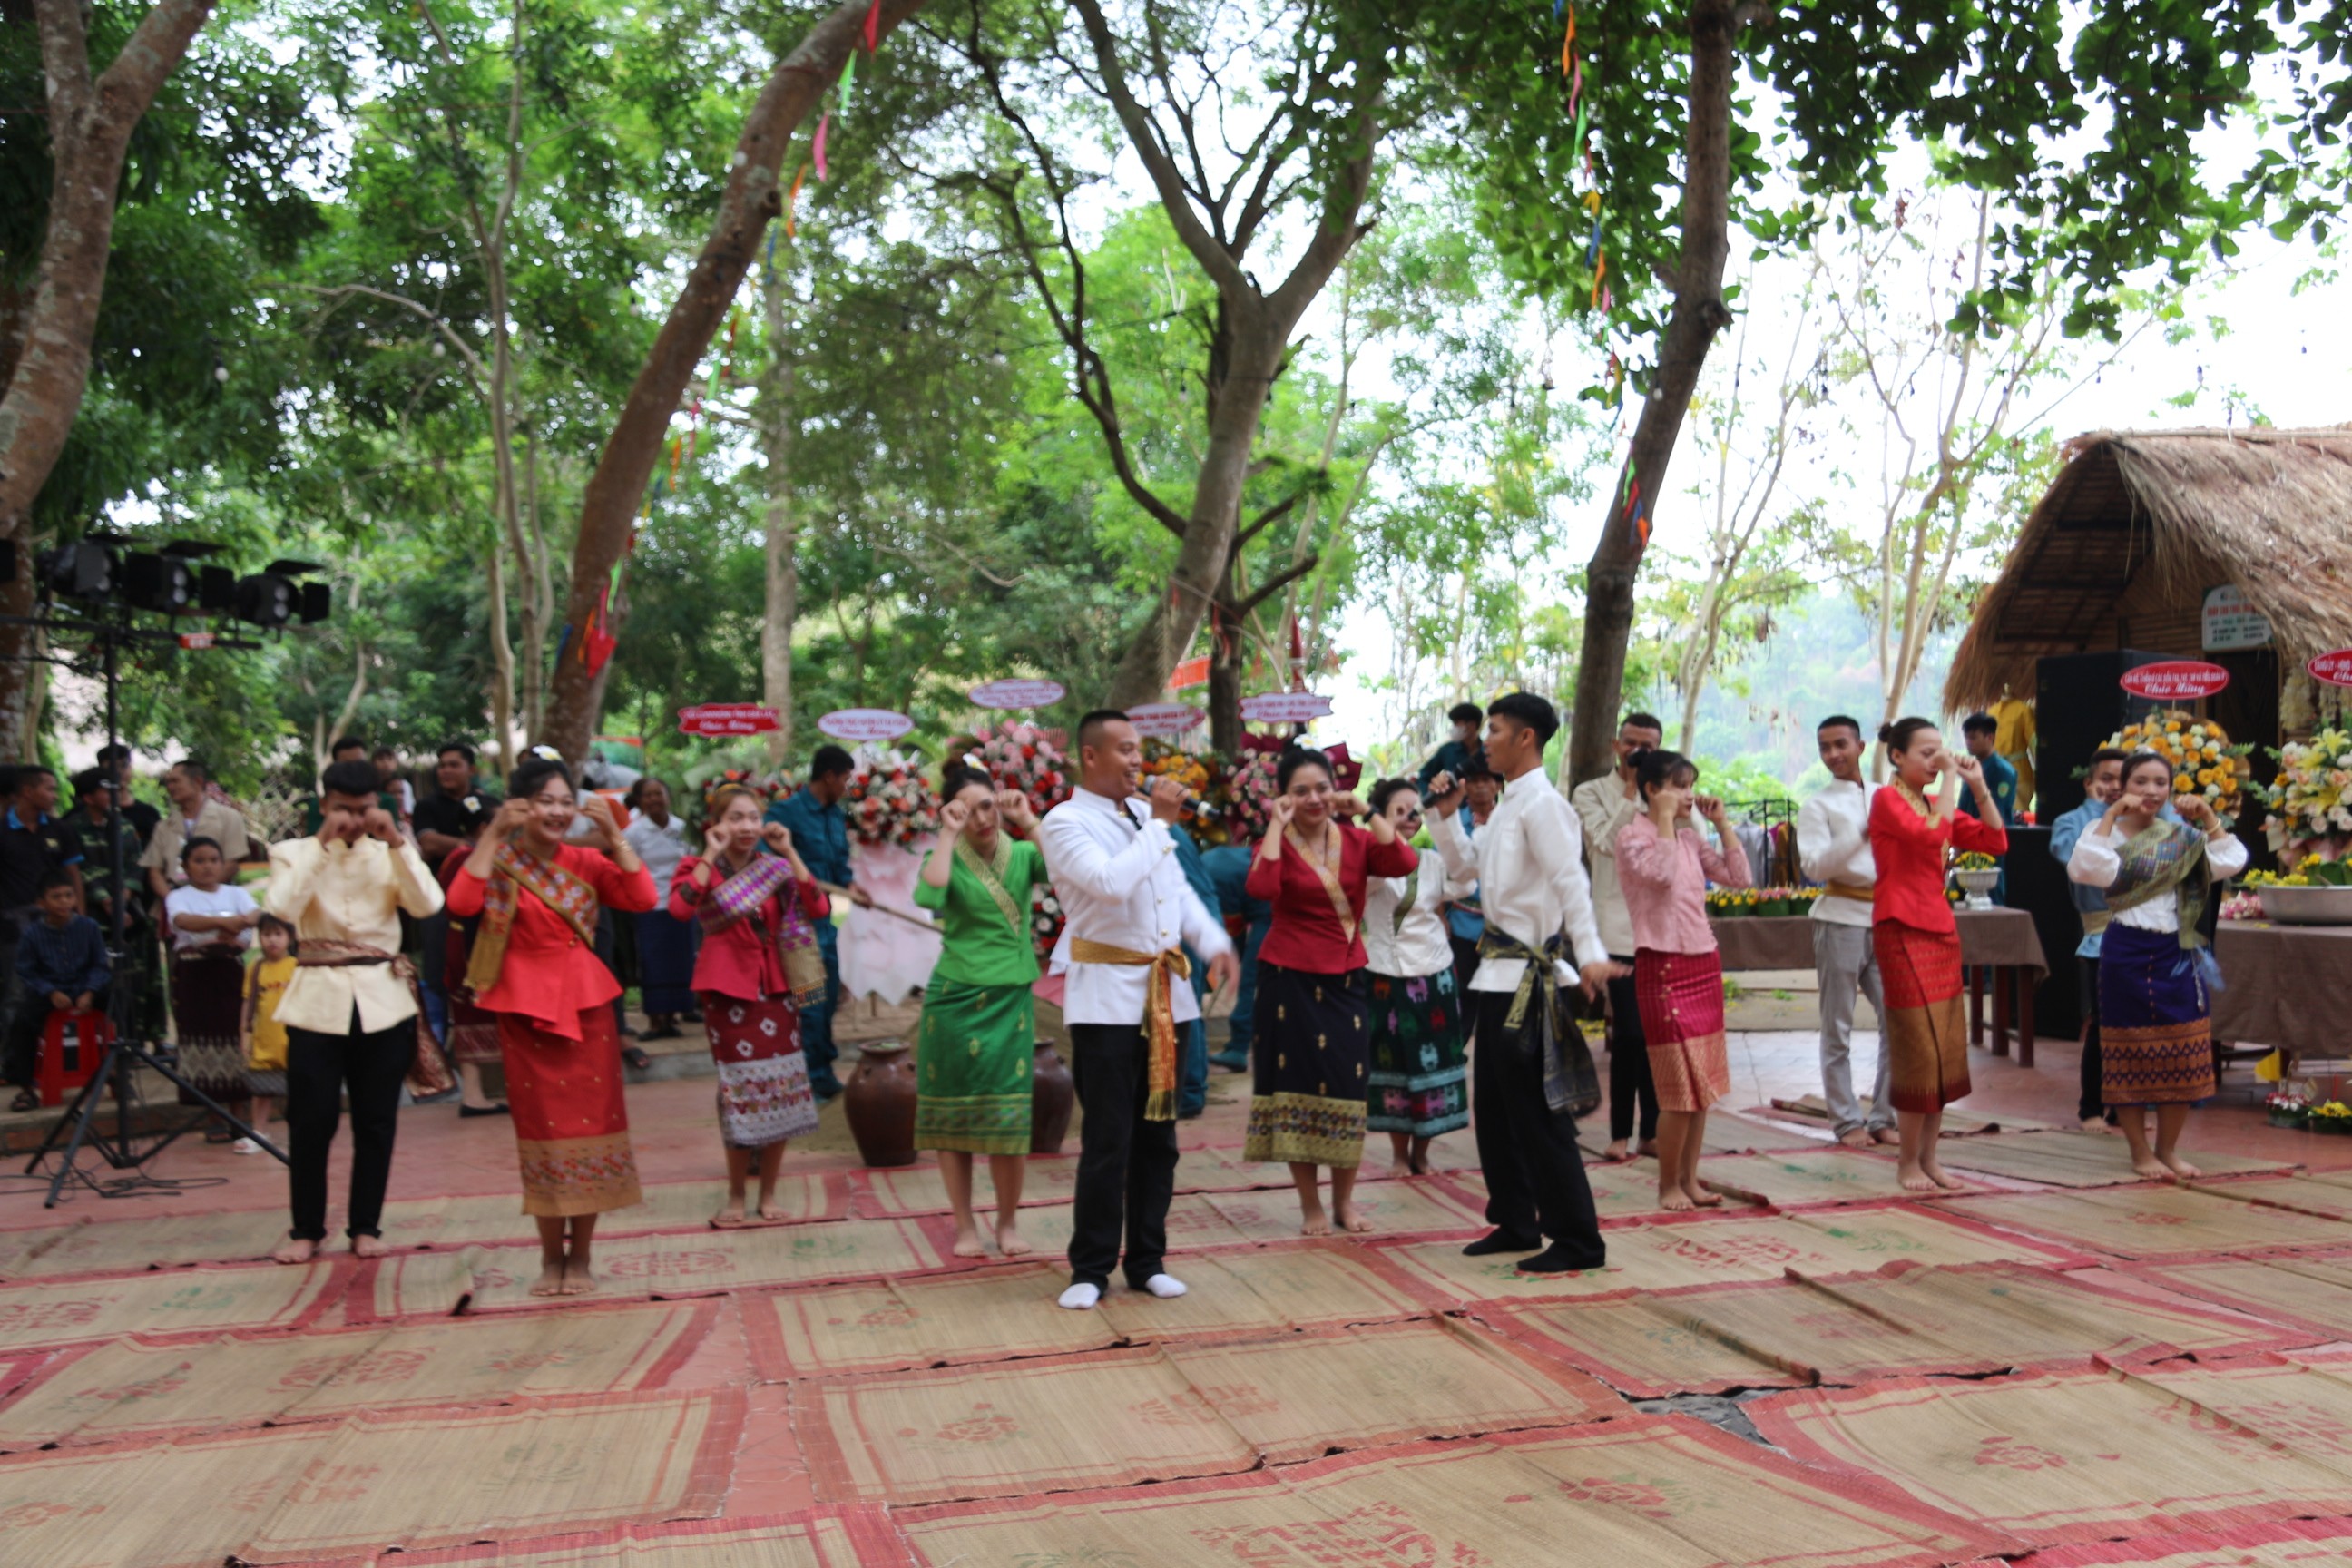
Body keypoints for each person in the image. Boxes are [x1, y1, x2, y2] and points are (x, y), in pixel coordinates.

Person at [1037, 710, 1237, 1310]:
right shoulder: (1065, 821)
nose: (1135, 761)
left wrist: (1216, 944)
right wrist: (1161, 825)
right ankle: (1090, 1268)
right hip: (1105, 1000)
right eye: (1123, 750)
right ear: (1090, 756)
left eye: (1138, 750)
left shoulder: (1145, 819)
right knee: (1109, 1137)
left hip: (1165, 998)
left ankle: (1147, 1260)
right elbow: (1108, 884)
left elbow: (1176, 893)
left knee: (1161, 1137)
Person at [445, 752, 656, 1296]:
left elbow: (643, 896)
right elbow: (460, 902)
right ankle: (549, 1260)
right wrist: (494, 832)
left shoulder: (585, 862)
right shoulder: (497, 860)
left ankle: (581, 1259)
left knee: (592, 1133)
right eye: (546, 801)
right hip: (524, 1011)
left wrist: (614, 835)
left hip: (588, 1010)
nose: (558, 811)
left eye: (566, 802)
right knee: (543, 1135)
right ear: (522, 805)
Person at [1426, 691, 1622, 1274]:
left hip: (1531, 976)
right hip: (1496, 974)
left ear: (1526, 738)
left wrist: (1589, 955)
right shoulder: (1506, 807)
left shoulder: (1544, 806)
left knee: (1538, 1110)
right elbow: (1464, 873)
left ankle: (1579, 1239)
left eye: (1497, 729)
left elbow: (1571, 882)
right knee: (1497, 1104)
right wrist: (1444, 814)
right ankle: (1517, 1219)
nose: (1485, 739)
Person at [263, 761, 445, 1262]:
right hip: (315, 1000)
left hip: (382, 1001)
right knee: (311, 1120)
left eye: (363, 809)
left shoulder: (391, 851)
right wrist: (321, 845)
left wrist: (398, 843)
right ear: (324, 806)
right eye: (342, 808)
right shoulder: (291, 852)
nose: (353, 819)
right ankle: (306, 1230)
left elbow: (428, 904)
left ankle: (366, 1226)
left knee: (376, 1120)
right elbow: (280, 908)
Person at [1243, 747, 1416, 1236]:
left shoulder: (1358, 840)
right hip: (1288, 979)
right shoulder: (1272, 843)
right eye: (1301, 791)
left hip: (1343, 978)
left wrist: (1366, 810)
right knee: (1297, 1089)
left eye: (1321, 787)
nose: (1314, 798)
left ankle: (1345, 1203)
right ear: (1284, 797)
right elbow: (1261, 887)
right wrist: (1276, 826)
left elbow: (1402, 860)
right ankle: (1310, 1207)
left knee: (1347, 1087)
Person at [2065, 750, 2244, 1181]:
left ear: (2170, 789)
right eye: (2140, 782)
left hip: (2176, 955)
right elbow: (2087, 867)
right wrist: (2111, 814)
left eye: (2159, 783)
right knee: (2130, 1054)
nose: (2150, 791)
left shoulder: (2180, 836)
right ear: (2123, 786)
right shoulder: (2102, 831)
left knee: (2184, 1054)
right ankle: (2140, 1152)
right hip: (2125, 953)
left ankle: (2168, 1150)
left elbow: (2230, 860)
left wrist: (2207, 817)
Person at [671, 781, 829, 1229]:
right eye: (735, 817)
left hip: (778, 991)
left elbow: (817, 906)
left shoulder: (775, 867)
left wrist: (790, 851)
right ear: (717, 823)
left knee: (781, 1091)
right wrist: (708, 854)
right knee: (739, 1094)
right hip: (728, 994)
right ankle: (737, 1195)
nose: (746, 827)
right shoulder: (700, 866)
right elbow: (681, 909)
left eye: (753, 818)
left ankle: (770, 1194)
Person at [911, 764, 1050, 1258]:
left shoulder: (1025, 853)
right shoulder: (943, 853)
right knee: (952, 1118)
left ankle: (1008, 1224)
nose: (981, 818)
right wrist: (946, 833)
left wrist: (1029, 820)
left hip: (1009, 997)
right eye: (966, 811)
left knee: (1007, 1118)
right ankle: (965, 1225)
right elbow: (929, 893)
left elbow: (1067, 873)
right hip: (953, 999)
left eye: (987, 805)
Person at [1867, 717, 2009, 1192]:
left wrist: (1977, 783)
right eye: (1925, 753)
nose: (1936, 759)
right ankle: (1907, 1161)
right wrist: (1951, 777)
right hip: (1901, 928)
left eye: (1939, 751)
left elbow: (1995, 841)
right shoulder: (1887, 800)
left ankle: (1930, 1159)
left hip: (1939, 930)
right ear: (1897, 757)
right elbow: (1931, 837)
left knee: (1945, 1049)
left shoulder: (1935, 802)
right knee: (1918, 1048)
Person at [1613, 750, 1750, 1210]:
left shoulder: (1691, 839)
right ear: (1653, 790)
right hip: (1663, 967)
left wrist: (1722, 825)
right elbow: (1664, 877)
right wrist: (1670, 823)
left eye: (1693, 785)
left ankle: (1690, 1180)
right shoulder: (1632, 837)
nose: (1691, 795)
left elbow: (1740, 878)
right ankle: (1667, 1185)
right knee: (1676, 1090)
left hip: (1702, 963)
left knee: (1702, 1089)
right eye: (1680, 786)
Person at [1362, 779, 1469, 1178]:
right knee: (1394, 1066)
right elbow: (1363, 887)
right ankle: (1396, 1155)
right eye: (1398, 811)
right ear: (1379, 817)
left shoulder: (1433, 860)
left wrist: (1447, 817)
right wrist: (1386, 842)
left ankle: (1423, 1154)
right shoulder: (1368, 862)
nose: (1409, 817)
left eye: (1414, 809)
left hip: (1435, 975)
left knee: (1436, 1065)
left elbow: (1466, 880)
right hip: (1386, 976)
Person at [2049, 746, 2159, 1133]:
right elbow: (2070, 856)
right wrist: (2106, 816)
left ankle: (2126, 1105)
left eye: (2122, 779)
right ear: (2090, 782)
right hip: (2101, 935)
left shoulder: (2148, 821)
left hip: (2148, 934)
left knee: (2140, 1024)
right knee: (2103, 1023)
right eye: (2107, 779)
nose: (2114, 787)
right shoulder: (2073, 820)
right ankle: (2091, 1106)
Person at [1797, 715, 1896, 1149]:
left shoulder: (1887, 796)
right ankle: (1845, 1120)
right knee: (1837, 1024)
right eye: (1825, 747)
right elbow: (1815, 867)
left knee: (1898, 1021)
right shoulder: (1818, 805)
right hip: (1839, 916)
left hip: (1888, 918)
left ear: (1859, 746)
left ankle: (1884, 1117)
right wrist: (1860, 832)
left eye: (1841, 744)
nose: (1833, 754)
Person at [1572, 711, 1665, 1162]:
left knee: (1655, 1034)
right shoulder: (1590, 792)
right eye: (1632, 744)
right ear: (1616, 744)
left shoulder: (1665, 791)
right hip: (1615, 929)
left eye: (1648, 747)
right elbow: (1605, 843)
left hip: (1661, 932)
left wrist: (1659, 794)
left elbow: (1687, 843)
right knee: (1628, 1033)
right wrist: (1631, 791)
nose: (1638, 753)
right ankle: (1619, 1132)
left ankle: (1650, 1132)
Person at [766, 745, 867, 1100]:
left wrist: (848, 897)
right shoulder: (785, 814)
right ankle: (811, 1077)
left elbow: (840, 869)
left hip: (828, 925)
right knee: (809, 1002)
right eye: (845, 778)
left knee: (827, 1001)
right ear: (828, 776)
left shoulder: (835, 816)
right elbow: (768, 863)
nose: (847, 786)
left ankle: (823, 1069)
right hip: (797, 926)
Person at [166, 836, 261, 1138]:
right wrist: (226, 924)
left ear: (223, 864)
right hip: (195, 975)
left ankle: (239, 1115)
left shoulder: (236, 893)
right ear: (185, 866)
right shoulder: (179, 896)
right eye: (199, 861)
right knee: (201, 1040)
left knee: (235, 1038)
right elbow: (182, 922)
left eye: (213, 860)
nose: (207, 867)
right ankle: (214, 1119)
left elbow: (256, 914)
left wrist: (238, 922)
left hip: (230, 973)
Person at [0, 764, 85, 1069]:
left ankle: (63, 1060)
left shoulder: (59, 829)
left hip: (60, 925)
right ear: (27, 791)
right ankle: (13, 1064)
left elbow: (74, 875)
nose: (54, 795)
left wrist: (81, 919)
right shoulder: (2, 831)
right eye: (49, 788)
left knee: (68, 990)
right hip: (14, 928)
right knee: (16, 993)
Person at [3, 870, 109, 1110]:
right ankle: (27, 1088)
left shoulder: (89, 927)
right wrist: (50, 991)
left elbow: (100, 964)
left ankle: (115, 1075)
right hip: (51, 993)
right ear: (41, 903)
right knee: (22, 1023)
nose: (64, 902)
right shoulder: (32, 933)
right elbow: (27, 971)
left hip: (84, 988)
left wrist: (90, 991)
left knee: (118, 1003)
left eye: (68, 895)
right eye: (56, 897)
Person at [434, 796, 509, 1117]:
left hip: (468, 942)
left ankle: (481, 1091)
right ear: (484, 827)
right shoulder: (469, 857)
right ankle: (474, 1094)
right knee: (469, 1013)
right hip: (471, 945)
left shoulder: (460, 856)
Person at [623, 778, 696, 1041]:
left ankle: (675, 1015)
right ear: (640, 800)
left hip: (681, 904)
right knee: (653, 963)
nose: (654, 799)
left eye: (659, 793)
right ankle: (656, 1021)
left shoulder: (683, 828)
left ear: (668, 796)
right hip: (650, 906)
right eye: (648, 795)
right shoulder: (632, 833)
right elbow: (626, 865)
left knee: (682, 959)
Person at [142, 760, 255, 901]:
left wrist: (199, 897)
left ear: (197, 782)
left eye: (175, 781)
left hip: (217, 903)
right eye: (168, 782)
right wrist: (174, 901)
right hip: (172, 906)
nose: (170, 787)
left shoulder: (229, 818)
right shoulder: (164, 826)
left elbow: (232, 864)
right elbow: (154, 871)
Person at [1200, 838, 1269, 1073]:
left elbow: (1233, 929)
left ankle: (1239, 1049)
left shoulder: (1208, 879)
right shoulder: (1205, 865)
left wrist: (1232, 961)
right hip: (1256, 894)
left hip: (1268, 908)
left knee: (1249, 978)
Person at [240, 914, 299, 1149]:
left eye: (278, 934)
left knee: (297, 1090)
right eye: (266, 934)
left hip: (291, 1039)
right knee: (261, 1090)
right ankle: (259, 1133)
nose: (272, 940)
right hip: (264, 1039)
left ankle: (300, 1135)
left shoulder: (296, 967)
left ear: (290, 938)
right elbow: (248, 1002)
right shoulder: (255, 969)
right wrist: (244, 1033)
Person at [1443, 762, 1499, 990]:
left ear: (1498, 785)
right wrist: (1441, 918)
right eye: (1474, 781)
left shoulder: (1511, 820)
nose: (1481, 786)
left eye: (1487, 780)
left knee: (1500, 996)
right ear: (1465, 787)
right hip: (1462, 925)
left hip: (1505, 926)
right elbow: (1440, 874)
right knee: (1464, 993)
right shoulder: (1453, 822)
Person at [415, 741, 496, 862]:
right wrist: (471, 845)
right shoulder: (425, 806)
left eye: (454, 765)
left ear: (471, 770)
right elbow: (429, 842)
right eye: (442, 766)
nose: (446, 771)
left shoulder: (489, 803)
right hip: (442, 878)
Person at [95, 743, 161, 846]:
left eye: (123, 766)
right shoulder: (91, 812)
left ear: (130, 768)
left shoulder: (148, 813)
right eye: (112, 767)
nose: (119, 771)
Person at [1417, 702, 1485, 793]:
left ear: (1471, 725)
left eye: (1456, 723)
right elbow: (1424, 775)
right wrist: (1430, 794)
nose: (1453, 728)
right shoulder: (1447, 751)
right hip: (1456, 806)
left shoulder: (1489, 751)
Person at [372, 746, 416, 819]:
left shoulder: (404, 785)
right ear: (373, 763)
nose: (386, 762)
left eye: (390, 759)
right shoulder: (370, 785)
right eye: (381, 759)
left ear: (396, 763)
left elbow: (409, 810)